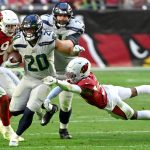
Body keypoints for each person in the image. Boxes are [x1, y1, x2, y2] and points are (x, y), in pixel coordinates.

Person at [8, 14, 84, 147]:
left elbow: (65, 48)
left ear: (38, 29)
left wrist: (74, 51)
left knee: (29, 110)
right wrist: (12, 60)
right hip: (28, 77)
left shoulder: (48, 38)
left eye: (31, 29)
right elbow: (11, 51)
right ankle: (49, 108)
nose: (28, 32)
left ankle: (15, 137)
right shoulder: (18, 39)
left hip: (45, 79)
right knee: (14, 110)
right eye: (26, 29)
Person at [42, 57, 150, 126]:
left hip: (111, 102)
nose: (70, 76)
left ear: (81, 72)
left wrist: (56, 81)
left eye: (72, 74)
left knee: (134, 115)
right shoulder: (84, 76)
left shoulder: (86, 84)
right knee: (133, 91)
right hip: (109, 90)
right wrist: (48, 98)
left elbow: (70, 88)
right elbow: (63, 86)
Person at [41, 2, 85, 139]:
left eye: (65, 16)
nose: (61, 18)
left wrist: (72, 49)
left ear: (70, 16)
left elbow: (68, 46)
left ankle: (63, 130)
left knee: (65, 104)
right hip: (46, 66)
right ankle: (50, 109)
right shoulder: (43, 21)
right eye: (59, 15)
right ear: (54, 15)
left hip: (66, 67)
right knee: (36, 98)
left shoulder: (76, 25)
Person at [0, 10, 21, 140]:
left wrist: (6, 63)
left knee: (16, 97)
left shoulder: (14, 35)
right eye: (8, 25)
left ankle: (3, 123)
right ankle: (7, 129)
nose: (11, 28)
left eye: (13, 26)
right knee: (2, 96)